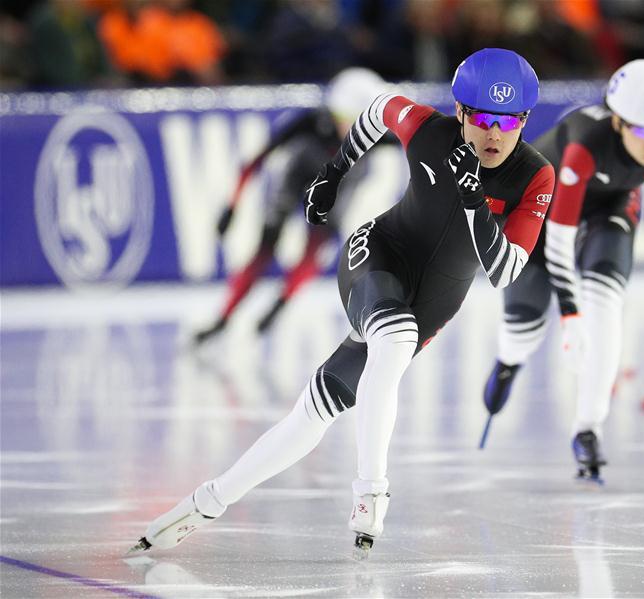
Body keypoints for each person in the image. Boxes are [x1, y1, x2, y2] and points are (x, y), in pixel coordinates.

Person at [129, 48, 555, 558]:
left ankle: (205, 503)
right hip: (378, 256)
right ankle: (371, 491)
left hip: (434, 302)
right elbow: (378, 108)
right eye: (483, 119)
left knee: (312, 414)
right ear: (461, 112)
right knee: (392, 341)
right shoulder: (427, 129)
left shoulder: (535, 176)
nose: (494, 135)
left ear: (525, 121)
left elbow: (504, 270)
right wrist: (333, 173)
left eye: (509, 123)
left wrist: (473, 202)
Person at [479, 59, 644, 481]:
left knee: (605, 306)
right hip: (536, 213)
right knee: (524, 330)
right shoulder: (584, 148)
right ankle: (508, 361)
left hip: (610, 207)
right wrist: (569, 316)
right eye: (641, 130)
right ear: (618, 122)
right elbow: (557, 243)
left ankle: (588, 428)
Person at [194, 67, 405, 342]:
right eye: (348, 121)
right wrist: (231, 207)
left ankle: (281, 302)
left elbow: (429, 141)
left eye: (363, 126)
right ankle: (224, 318)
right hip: (298, 177)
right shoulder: (311, 123)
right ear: (334, 113)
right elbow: (257, 159)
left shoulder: (378, 137)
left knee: (317, 245)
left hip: (337, 188)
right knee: (266, 244)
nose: (353, 132)